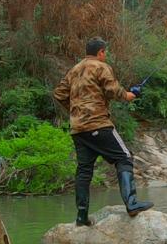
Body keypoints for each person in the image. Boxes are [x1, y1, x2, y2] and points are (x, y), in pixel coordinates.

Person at [53, 37, 154, 226]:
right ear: (101, 52)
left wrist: (75, 110)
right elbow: (113, 90)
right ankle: (132, 204)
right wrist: (130, 95)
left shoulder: (74, 70)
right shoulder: (101, 66)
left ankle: (81, 217)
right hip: (98, 124)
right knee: (124, 157)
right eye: (104, 52)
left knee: (84, 171)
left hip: (78, 129)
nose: (105, 55)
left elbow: (59, 94)